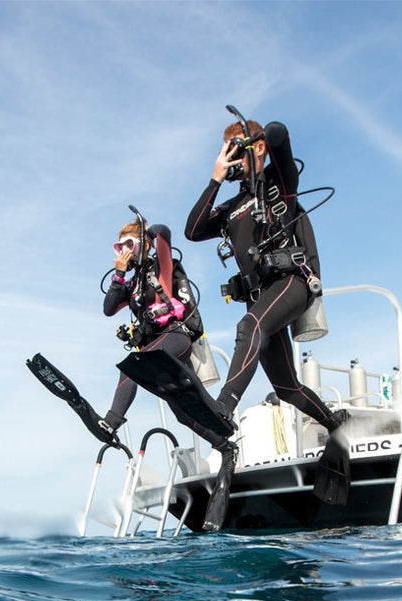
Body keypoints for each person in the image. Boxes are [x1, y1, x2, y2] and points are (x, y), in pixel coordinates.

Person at [184, 116, 348, 525]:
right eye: (231, 151)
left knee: (247, 327)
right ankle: (335, 425)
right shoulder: (231, 205)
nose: (237, 158)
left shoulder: (281, 182)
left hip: (292, 283)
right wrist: (217, 177)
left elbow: (278, 134)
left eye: (242, 149)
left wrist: (256, 141)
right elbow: (191, 230)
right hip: (260, 300)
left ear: (256, 149)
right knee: (288, 388)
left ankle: (223, 409)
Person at [99, 220, 223, 446]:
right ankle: (225, 446)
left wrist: (147, 233)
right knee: (182, 414)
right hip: (156, 345)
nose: (125, 250)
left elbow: (164, 232)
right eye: (120, 246)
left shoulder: (159, 268)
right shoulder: (133, 284)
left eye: (129, 243)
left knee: (133, 365)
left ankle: (111, 421)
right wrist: (119, 275)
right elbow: (108, 309)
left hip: (175, 336)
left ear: (143, 244)